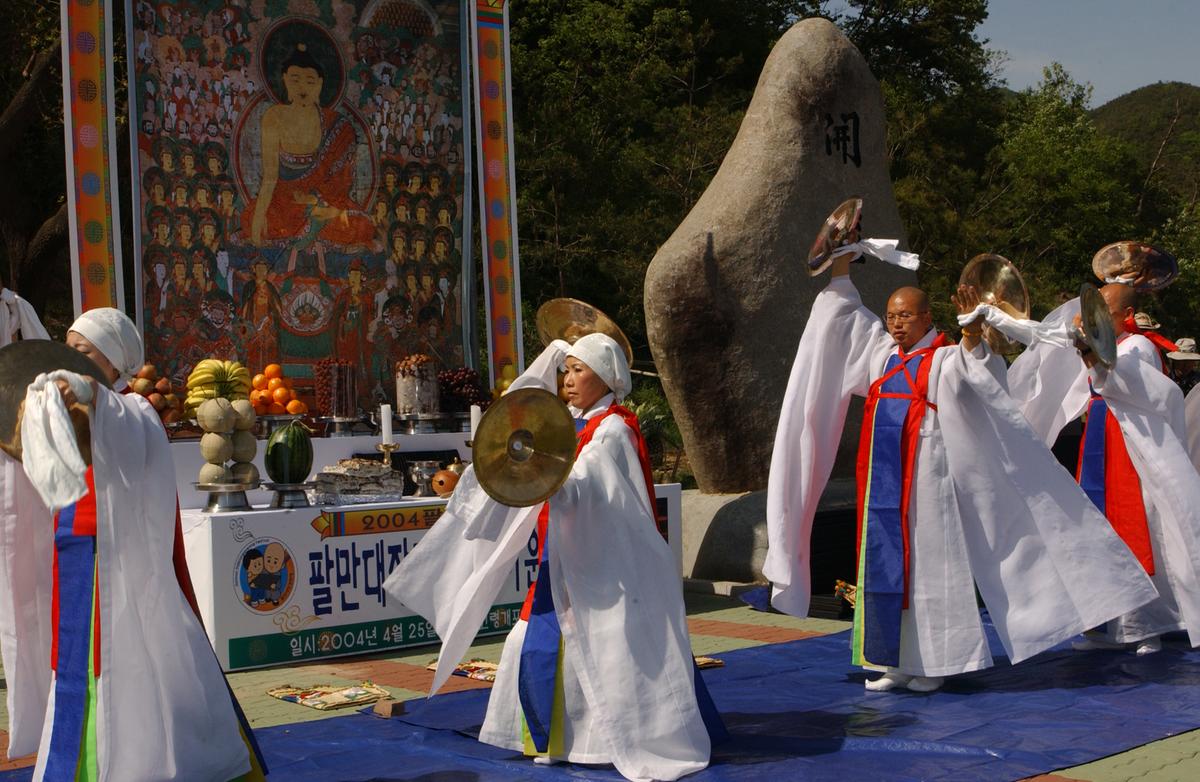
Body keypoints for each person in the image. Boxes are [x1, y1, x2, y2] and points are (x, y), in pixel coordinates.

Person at [765, 253, 1157, 693]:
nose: (896, 324)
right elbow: (843, 320)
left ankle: (937, 663)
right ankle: (891, 661)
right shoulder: (881, 356)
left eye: (906, 316)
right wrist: (841, 267)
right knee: (883, 566)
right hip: (882, 482)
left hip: (927, 483)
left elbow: (982, 374)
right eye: (892, 316)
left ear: (927, 317)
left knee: (931, 570)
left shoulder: (945, 358)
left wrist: (972, 331)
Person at [385, 333, 718, 781]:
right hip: (564, 555)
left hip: (606, 566)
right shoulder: (573, 424)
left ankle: (599, 742)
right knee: (531, 642)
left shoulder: (614, 427)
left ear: (607, 376)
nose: (568, 379)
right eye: (567, 370)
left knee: (607, 643)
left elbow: (599, 492)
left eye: (580, 370)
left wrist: (545, 474)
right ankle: (550, 740)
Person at [0, 308, 262, 779]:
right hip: (89, 567)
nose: (70, 359)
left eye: (82, 352)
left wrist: (78, 389)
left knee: (130, 670)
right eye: (68, 348)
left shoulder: (132, 411)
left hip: (117, 576)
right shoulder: (96, 408)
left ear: (113, 360)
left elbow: (104, 411)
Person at [1009, 283, 1200, 656]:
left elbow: (1127, 384)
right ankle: (1108, 622)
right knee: (1099, 524)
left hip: (1132, 445)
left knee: (1140, 525)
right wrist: (1002, 317)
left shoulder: (1138, 346)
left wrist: (1091, 353)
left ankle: (1148, 624)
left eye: (1104, 313)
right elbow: (1048, 340)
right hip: (1100, 435)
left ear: (1124, 315)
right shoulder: (1101, 344)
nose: (1094, 320)